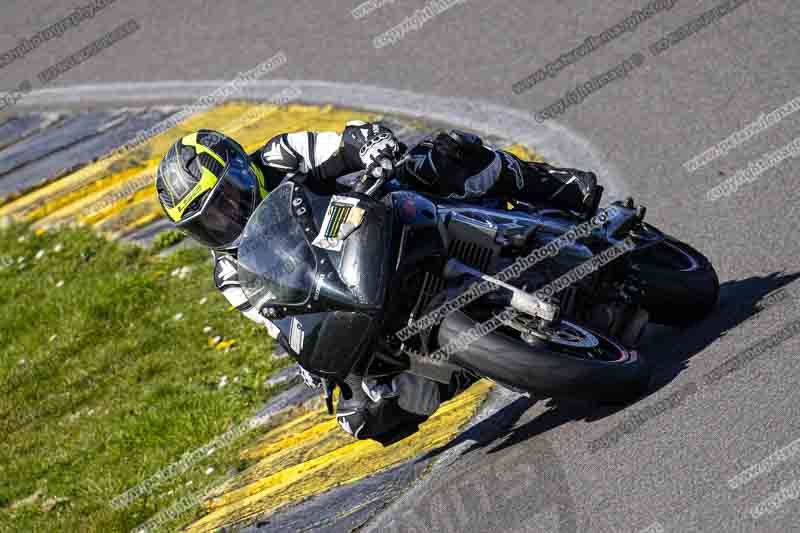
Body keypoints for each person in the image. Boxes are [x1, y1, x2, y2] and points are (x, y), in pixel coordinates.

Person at [154, 122, 599, 442]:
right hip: (345, 287)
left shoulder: (278, 156)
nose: (227, 218)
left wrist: (369, 144)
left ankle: (552, 186)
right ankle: (475, 363)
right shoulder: (229, 274)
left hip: (375, 219)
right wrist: (316, 363)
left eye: (225, 199)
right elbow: (278, 320)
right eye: (208, 221)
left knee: (441, 157)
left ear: (238, 169)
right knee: (364, 413)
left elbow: (344, 144)